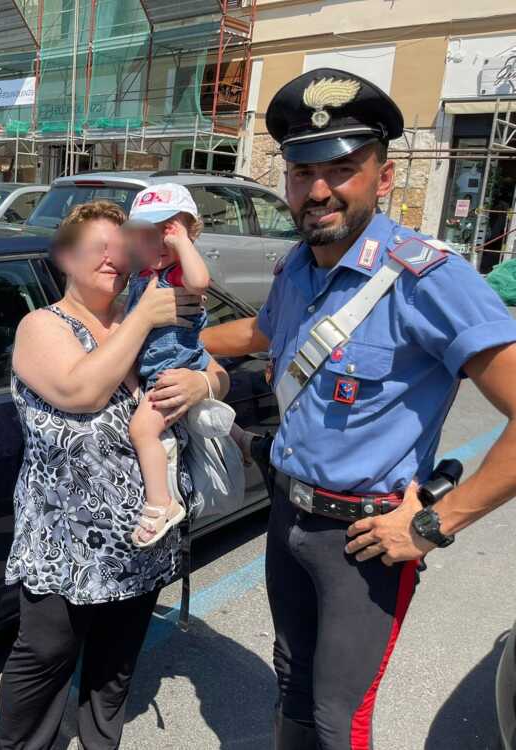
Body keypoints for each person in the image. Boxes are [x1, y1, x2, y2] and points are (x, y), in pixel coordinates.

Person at [201, 67, 516, 750]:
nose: (317, 189)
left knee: (344, 719)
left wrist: (434, 524)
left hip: (366, 543)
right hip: (287, 516)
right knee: (291, 684)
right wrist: (189, 344)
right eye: (301, 169)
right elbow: (265, 334)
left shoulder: (428, 280)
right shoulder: (297, 268)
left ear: (383, 173)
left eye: (342, 167)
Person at [0, 200, 229, 750]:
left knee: (115, 665)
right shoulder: (43, 325)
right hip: (63, 540)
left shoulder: (143, 311)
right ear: (66, 258)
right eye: (95, 248)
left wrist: (206, 386)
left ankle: (102, 741)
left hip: (141, 535)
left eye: (118, 248)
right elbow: (83, 391)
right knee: (46, 656)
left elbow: (209, 364)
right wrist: (143, 318)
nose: (110, 259)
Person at [120, 183, 233, 547]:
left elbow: (201, 282)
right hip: (159, 371)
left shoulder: (178, 274)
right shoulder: (142, 278)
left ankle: (161, 504)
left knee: (142, 430)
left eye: (162, 235)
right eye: (144, 236)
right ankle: (241, 436)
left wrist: (183, 243)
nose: (154, 245)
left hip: (172, 371)